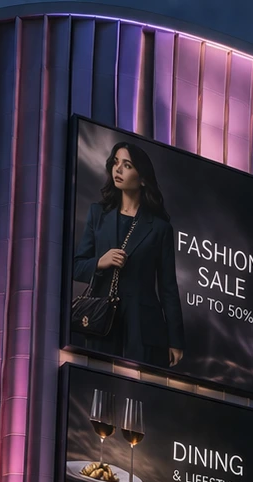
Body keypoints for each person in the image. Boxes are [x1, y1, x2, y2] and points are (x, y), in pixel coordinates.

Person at [72, 139, 184, 369]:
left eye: (127, 165)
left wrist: (175, 340)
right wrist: (100, 262)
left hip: (143, 325)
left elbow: (168, 288)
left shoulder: (160, 228)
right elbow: (76, 267)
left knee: (137, 386)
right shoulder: (98, 214)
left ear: (142, 179)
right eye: (116, 163)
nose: (118, 170)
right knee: (98, 381)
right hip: (100, 318)